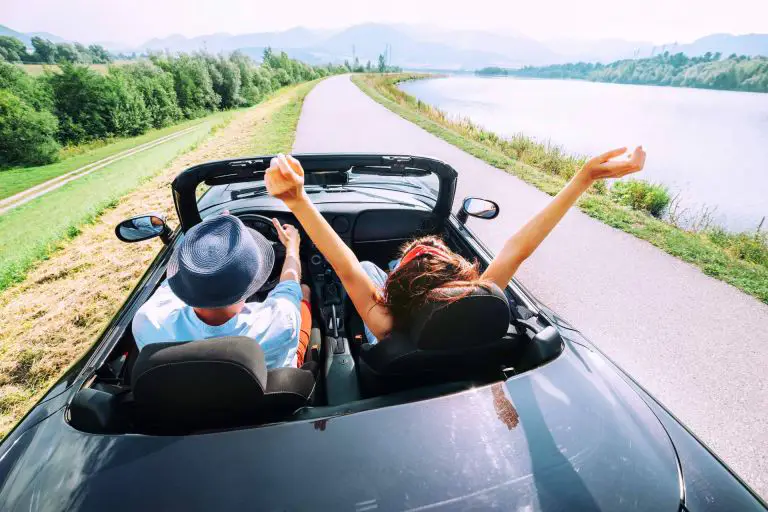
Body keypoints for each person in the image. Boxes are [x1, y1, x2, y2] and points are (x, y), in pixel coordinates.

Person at [265, 148, 646, 344]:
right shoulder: (481, 299)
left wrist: (297, 200)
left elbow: (346, 265)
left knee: (365, 269)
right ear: (462, 280)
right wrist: (583, 178)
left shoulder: (385, 325)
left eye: (404, 263)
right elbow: (518, 249)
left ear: (394, 292)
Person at [131, 213, 313, 369]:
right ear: (253, 279)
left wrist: (204, 244)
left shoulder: (147, 321)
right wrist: (292, 247)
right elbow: (290, 283)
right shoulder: (281, 319)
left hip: (193, 393)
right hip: (270, 389)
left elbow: (172, 280)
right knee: (303, 290)